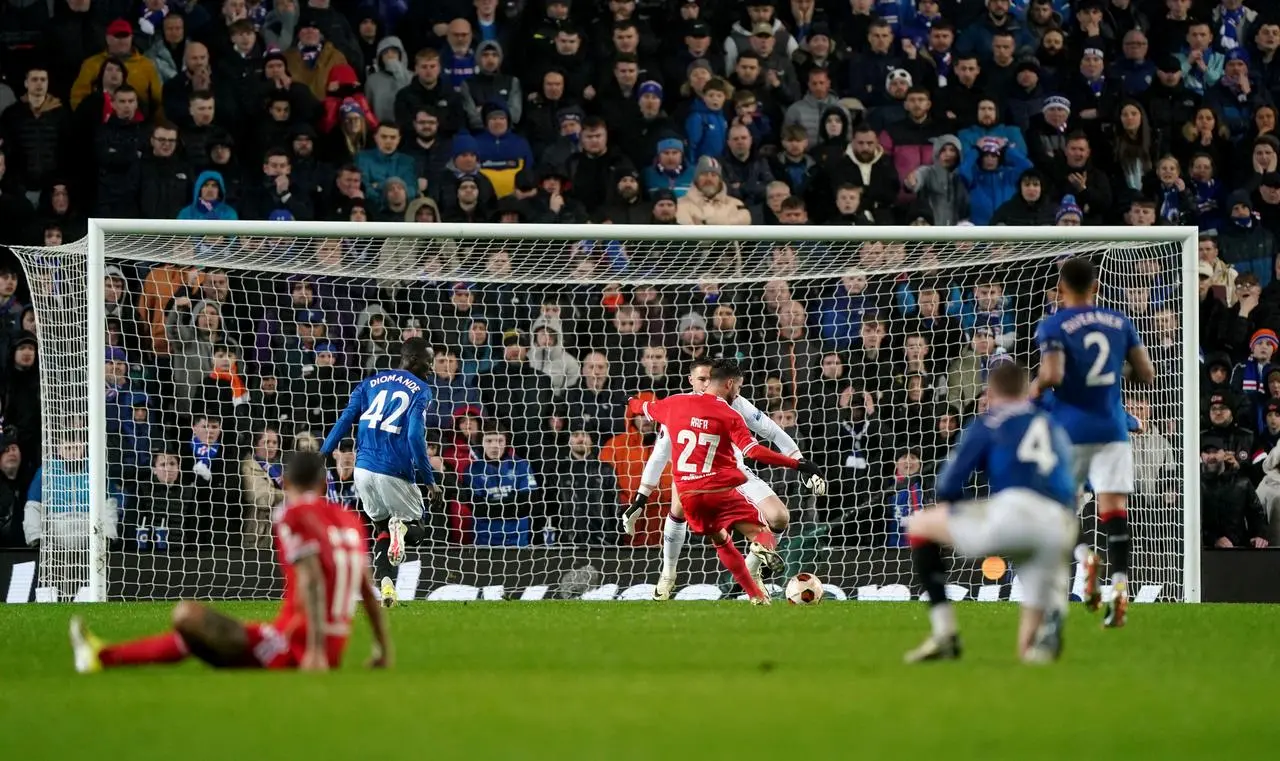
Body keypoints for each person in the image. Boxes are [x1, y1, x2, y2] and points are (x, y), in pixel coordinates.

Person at [69, 451, 391, 673]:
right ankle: (101, 656)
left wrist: (316, 653)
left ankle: (101, 657)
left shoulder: (293, 515)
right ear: (324, 485)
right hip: (321, 642)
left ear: (287, 484)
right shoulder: (349, 519)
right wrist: (383, 650)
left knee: (188, 616)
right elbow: (366, 586)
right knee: (202, 635)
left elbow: (312, 581)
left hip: (295, 645)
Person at [902, 362, 1076, 664]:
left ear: (991, 392)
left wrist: (966, 509)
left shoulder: (988, 423)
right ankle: (1050, 623)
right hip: (1058, 525)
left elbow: (948, 485)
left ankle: (945, 633)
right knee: (1030, 653)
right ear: (1026, 391)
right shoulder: (1052, 424)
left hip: (1012, 514)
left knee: (919, 523)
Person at [624, 359, 825, 604]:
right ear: (693, 381)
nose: (704, 383)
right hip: (721, 482)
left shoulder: (678, 405)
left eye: (707, 379)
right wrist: (800, 464)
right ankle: (669, 574)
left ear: (714, 380)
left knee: (772, 520)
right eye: (700, 379)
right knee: (758, 533)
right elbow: (754, 450)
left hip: (702, 484)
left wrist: (630, 402)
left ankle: (753, 579)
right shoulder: (718, 411)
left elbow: (772, 431)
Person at [1032, 257, 1155, 628]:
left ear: (1061, 289)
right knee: (1115, 513)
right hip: (1113, 429)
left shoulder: (1054, 324)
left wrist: (1031, 389)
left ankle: (1085, 556)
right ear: (1097, 287)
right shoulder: (1120, 322)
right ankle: (1120, 590)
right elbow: (1146, 375)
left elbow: (1052, 374)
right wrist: (1118, 366)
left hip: (1071, 430)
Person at [319, 336, 440, 607]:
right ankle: (402, 528)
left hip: (363, 470)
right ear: (412, 359)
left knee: (381, 529)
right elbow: (414, 436)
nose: (431, 369)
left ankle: (387, 589)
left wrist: (324, 452)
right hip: (394, 469)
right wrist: (429, 479)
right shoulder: (421, 390)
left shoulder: (369, 383)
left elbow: (345, 418)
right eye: (428, 362)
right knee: (416, 528)